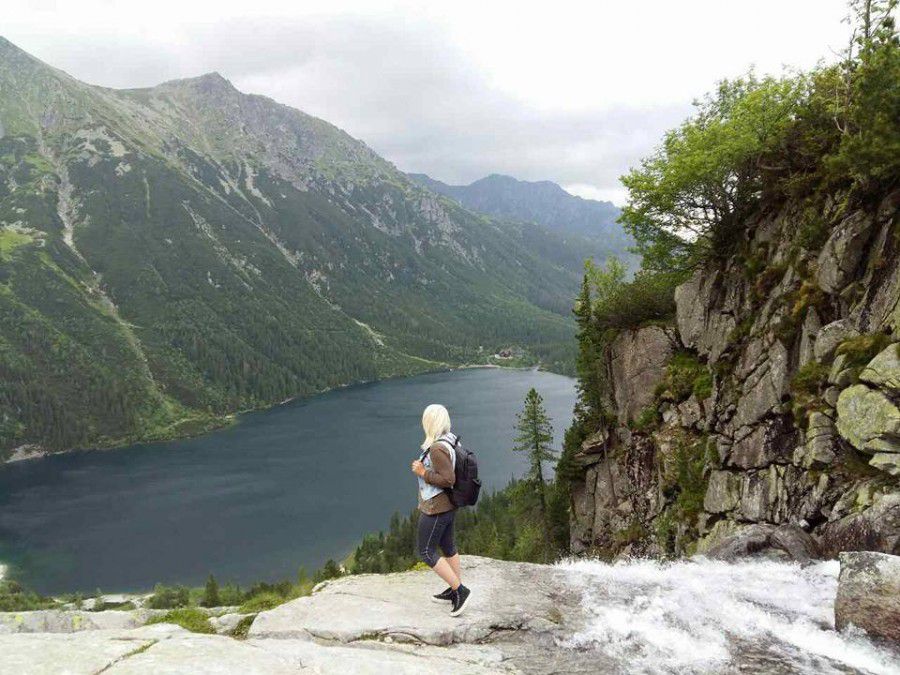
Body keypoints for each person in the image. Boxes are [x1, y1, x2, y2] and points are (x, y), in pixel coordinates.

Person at [410, 403, 472, 617]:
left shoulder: (437, 448)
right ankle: (455, 588)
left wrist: (422, 472)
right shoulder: (451, 439)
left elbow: (448, 479)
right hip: (449, 504)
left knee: (426, 551)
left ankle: (460, 590)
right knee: (448, 546)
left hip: (437, 507)